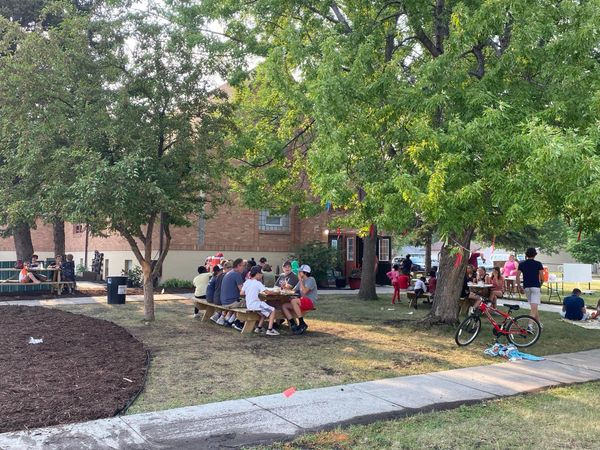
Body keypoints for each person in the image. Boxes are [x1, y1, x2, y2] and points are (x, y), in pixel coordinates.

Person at [241, 266, 279, 335]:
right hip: (255, 304)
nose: (262, 275)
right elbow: (267, 292)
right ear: (257, 274)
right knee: (273, 310)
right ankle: (270, 330)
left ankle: (259, 328)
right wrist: (276, 292)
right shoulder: (258, 283)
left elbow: (242, 293)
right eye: (261, 273)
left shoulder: (247, 282)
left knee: (264, 313)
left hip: (249, 304)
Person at [282, 264, 317, 335]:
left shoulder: (311, 280)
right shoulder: (301, 280)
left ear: (305, 273)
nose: (298, 273)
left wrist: (300, 280)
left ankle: (302, 323)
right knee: (284, 306)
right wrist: (285, 287)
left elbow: (304, 291)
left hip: (310, 302)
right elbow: (293, 290)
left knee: (293, 301)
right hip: (302, 302)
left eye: (300, 271)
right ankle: (293, 324)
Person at [516, 247, 544, 329]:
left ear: (526, 255)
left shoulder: (521, 264)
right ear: (535, 255)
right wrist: (540, 285)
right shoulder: (538, 264)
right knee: (534, 307)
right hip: (535, 286)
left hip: (526, 287)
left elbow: (517, 276)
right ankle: (530, 325)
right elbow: (542, 278)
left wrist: (519, 287)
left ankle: (539, 323)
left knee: (533, 307)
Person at [219, 258, 246, 330]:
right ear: (238, 266)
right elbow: (243, 291)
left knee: (241, 301)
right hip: (231, 302)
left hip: (224, 301)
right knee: (248, 303)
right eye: (243, 266)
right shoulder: (237, 274)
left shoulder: (230, 272)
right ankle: (239, 322)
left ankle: (230, 321)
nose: (244, 267)